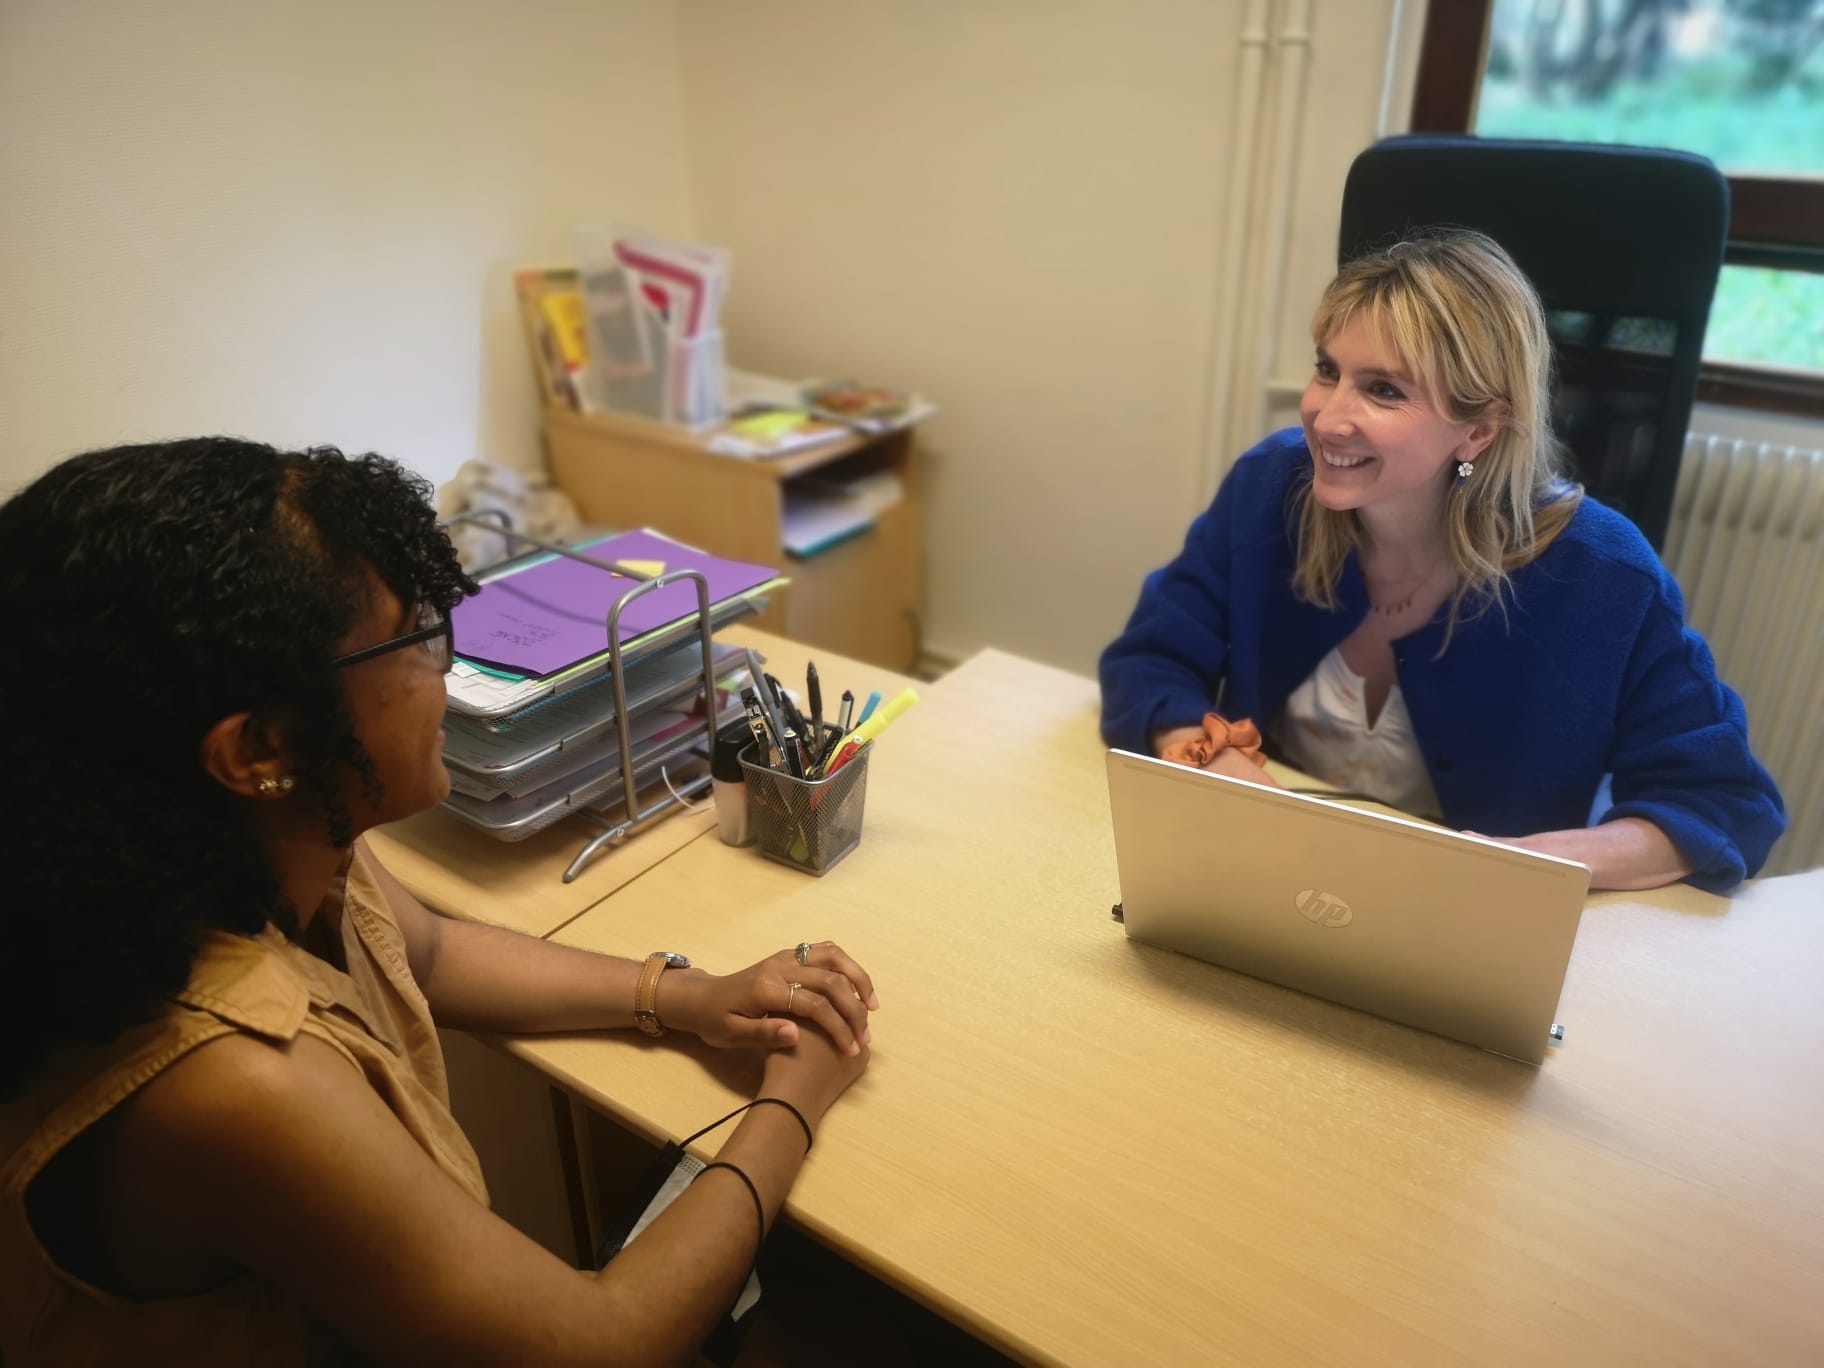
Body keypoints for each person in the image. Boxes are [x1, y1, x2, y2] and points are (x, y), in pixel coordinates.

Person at [0, 437, 879, 1365]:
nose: (447, 673)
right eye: (418, 636)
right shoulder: (233, 1083)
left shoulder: (260, 848)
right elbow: (602, 1343)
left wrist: (687, 995)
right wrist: (795, 1097)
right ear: (261, 750)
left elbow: (432, 953)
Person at [1099, 230, 1784, 893]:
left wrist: (1519, 866)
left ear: (1479, 429)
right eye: (1328, 370)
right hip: (1263, 876)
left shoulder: (1606, 577)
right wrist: (1217, 762)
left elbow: (1722, 803)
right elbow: (1148, 661)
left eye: (1384, 390)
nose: (1327, 418)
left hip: (1459, 925)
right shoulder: (1270, 488)